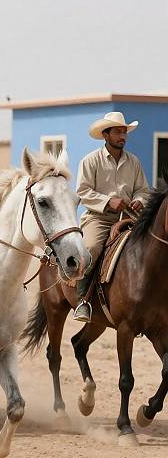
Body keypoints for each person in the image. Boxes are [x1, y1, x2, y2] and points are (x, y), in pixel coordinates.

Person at [73, 112, 150, 322]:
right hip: (99, 218)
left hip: (129, 216)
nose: (122, 136)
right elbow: (83, 192)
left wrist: (139, 201)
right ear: (105, 135)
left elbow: (143, 189)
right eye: (117, 132)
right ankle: (83, 301)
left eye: (124, 132)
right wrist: (108, 201)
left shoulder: (134, 162)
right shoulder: (90, 161)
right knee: (91, 249)